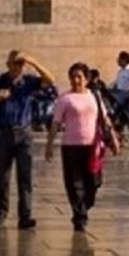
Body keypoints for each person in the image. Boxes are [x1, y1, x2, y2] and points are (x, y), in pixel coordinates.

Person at [0, 51, 56, 229]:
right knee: (3, 175)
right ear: (8, 64)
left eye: (20, 64)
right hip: (3, 132)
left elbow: (50, 80)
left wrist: (33, 61)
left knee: (25, 176)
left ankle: (25, 216)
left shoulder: (29, 82)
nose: (18, 67)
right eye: (14, 63)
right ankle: (0, 213)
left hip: (24, 133)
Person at [47, 63, 119, 231]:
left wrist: (113, 138)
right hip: (71, 147)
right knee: (74, 183)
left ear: (86, 79)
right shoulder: (65, 99)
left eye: (79, 76)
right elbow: (56, 123)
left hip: (92, 147)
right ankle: (80, 217)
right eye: (73, 76)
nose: (76, 80)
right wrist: (49, 145)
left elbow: (104, 119)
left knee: (94, 182)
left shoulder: (95, 96)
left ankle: (84, 207)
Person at [111, 50, 129, 138]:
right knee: (119, 116)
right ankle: (120, 137)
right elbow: (118, 84)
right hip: (119, 96)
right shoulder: (120, 71)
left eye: (119, 59)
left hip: (127, 97)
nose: (117, 61)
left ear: (124, 60)